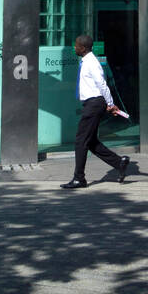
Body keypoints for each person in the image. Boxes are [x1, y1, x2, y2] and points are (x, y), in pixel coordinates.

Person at [60, 34, 131, 188]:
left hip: (94, 104)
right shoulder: (86, 61)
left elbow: (102, 84)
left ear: (83, 48)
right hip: (92, 103)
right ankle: (119, 163)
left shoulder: (92, 62)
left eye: (76, 45)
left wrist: (111, 104)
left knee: (80, 141)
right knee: (90, 141)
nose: (74, 48)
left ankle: (79, 178)